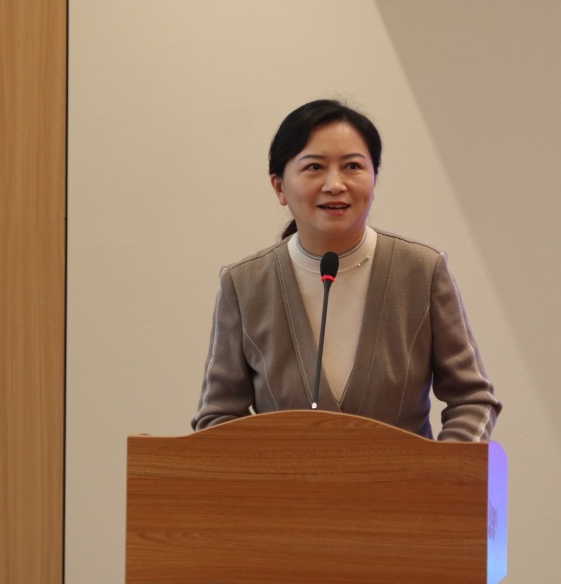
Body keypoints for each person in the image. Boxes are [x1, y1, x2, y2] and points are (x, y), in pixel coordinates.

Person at [192, 99, 500, 441]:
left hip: (404, 478)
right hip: (287, 478)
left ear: (374, 179)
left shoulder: (422, 271)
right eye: (314, 167)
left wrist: (442, 467)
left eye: (352, 166)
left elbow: (473, 400)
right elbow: (218, 416)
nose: (335, 184)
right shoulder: (243, 285)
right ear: (279, 187)